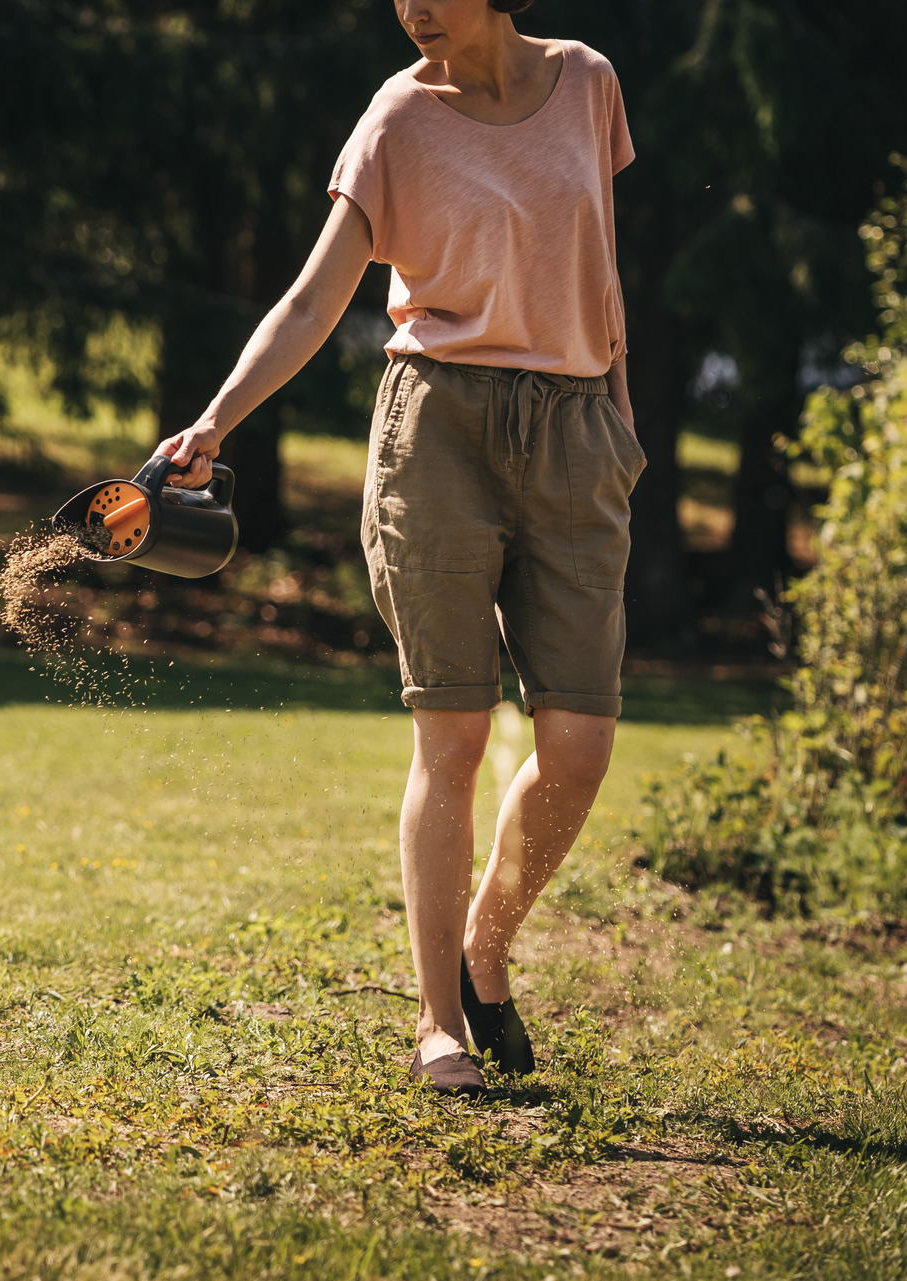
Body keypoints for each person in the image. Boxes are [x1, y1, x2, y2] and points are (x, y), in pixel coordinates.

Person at [154, 0, 642, 1097]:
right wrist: (217, 420)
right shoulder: (394, 120)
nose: (413, 6)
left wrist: (621, 421)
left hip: (575, 435)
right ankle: (438, 1024)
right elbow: (316, 296)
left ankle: (485, 947)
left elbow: (602, 255)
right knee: (455, 730)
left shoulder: (588, 81)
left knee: (580, 740)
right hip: (438, 432)